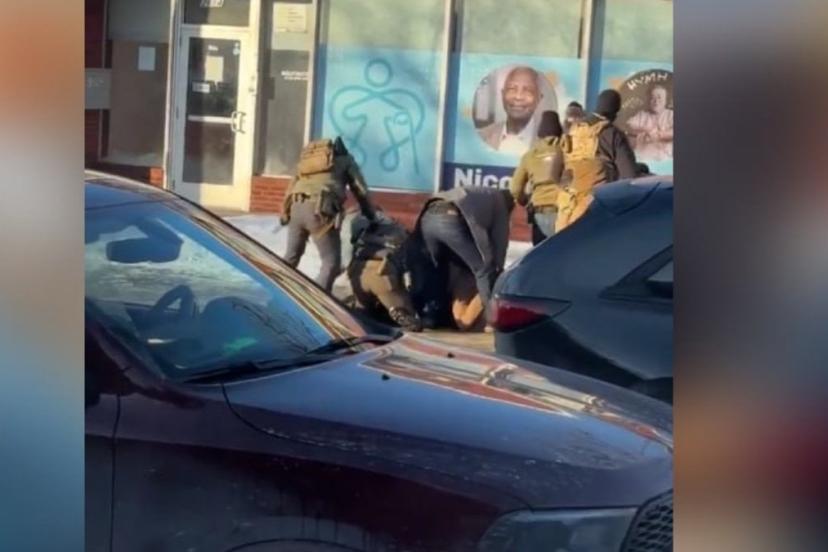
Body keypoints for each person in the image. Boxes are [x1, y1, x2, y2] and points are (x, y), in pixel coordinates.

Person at [280, 137, 376, 292]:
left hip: (296, 207)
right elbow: (360, 189)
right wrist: (371, 214)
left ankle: (275, 291)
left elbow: (291, 187)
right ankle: (316, 301)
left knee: (291, 256)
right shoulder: (345, 160)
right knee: (331, 262)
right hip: (320, 211)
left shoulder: (308, 161)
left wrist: (284, 212)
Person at [414, 186, 514, 326]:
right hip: (450, 219)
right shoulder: (500, 202)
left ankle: (432, 316)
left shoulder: (482, 194)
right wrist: (496, 270)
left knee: (435, 269)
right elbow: (499, 242)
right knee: (484, 270)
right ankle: (492, 320)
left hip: (428, 217)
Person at [557, 89, 637, 232]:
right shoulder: (612, 133)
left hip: (567, 207)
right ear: (615, 112)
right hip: (594, 209)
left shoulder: (573, 130)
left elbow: (557, 170)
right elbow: (629, 177)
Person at [347, 212, 422, 332]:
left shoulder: (359, 233)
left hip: (357, 273)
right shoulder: (400, 233)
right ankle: (396, 310)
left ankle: (368, 312)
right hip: (382, 273)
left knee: (362, 316)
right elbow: (410, 271)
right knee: (412, 320)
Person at [510, 111, 566, 244]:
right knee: (563, 252)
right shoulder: (566, 151)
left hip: (538, 211)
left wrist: (524, 201)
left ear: (540, 133)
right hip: (562, 211)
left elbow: (515, 189)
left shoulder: (529, 156)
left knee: (541, 254)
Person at [478, 66, 543, 155]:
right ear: (502, 94)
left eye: (527, 91)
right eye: (512, 89)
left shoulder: (551, 142)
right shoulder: (482, 136)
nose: (518, 97)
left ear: (538, 99)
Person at [625, 84, 674, 161]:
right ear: (648, 100)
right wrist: (646, 129)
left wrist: (660, 135)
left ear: (665, 100)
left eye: (659, 97)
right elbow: (628, 125)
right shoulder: (642, 114)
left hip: (667, 157)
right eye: (652, 98)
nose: (656, 101)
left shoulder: (671, 114)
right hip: (644, 158)